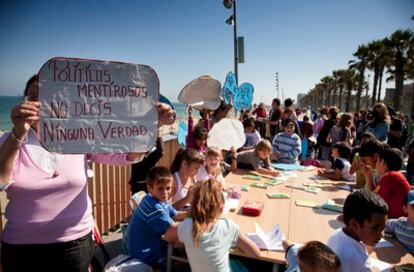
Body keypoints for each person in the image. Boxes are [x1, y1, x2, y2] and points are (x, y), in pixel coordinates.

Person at [0, 75, 176, 272]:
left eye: (49, 97)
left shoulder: (78, 137)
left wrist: (153, 125)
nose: (40, 104)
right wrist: (18, 133)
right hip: (22, 248)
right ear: (24, 103)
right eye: (33, 97)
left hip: (75, 244)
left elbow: (125, 156)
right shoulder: (9, 141)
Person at [166, 179, 261, 272]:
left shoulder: (186, 225)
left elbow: (167, 235)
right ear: (221, 208)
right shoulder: (228, 226)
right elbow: (255, 253)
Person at [127, 166, 187, 270]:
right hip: (146, 255)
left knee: (185, 251)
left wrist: (194, 214)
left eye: (168, 188)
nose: (165, 192)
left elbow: (175, 214)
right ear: (149, 188)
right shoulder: (154, 208)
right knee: (187, 262)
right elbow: (173, 231)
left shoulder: (159, 199)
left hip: (154, 246)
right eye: (160, 188)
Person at [327, 189, 388, 271]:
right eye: (375, 228)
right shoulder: (360, 261)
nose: (381, 235)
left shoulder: (336, 234)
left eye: (382, 229)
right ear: (354, 224)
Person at [361, 148, 411, 219]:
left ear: (383, 162)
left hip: (397, 224)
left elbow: (370, 200)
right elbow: (369, 195)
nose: (376, 164)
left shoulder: (391, 176)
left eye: (378, 160)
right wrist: (368, 176)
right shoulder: (391, 176)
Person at [385, 190, 414, 254]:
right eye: (413, 207)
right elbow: (387, 224)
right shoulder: (400, 225)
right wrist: (394, 241)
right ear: (405, 208)